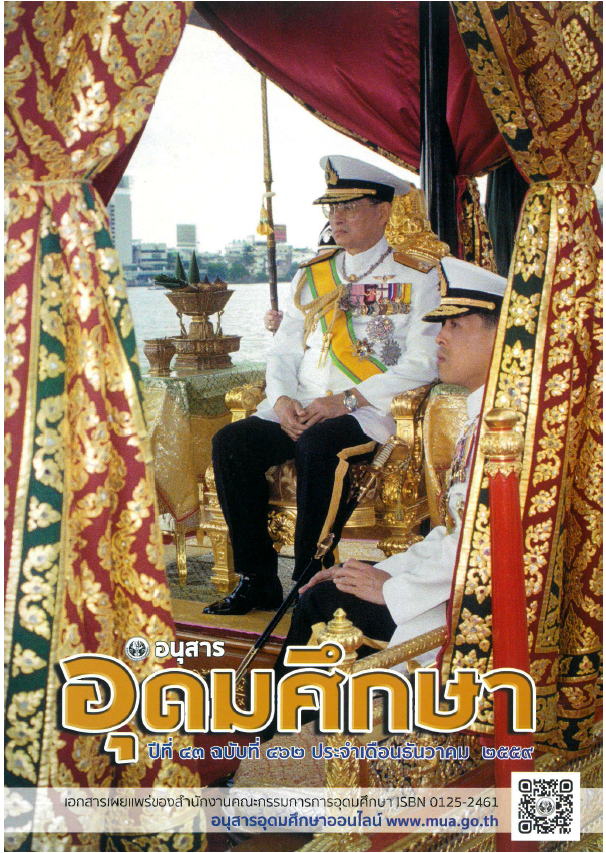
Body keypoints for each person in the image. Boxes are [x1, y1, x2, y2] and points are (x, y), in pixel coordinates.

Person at [205, 155, 441, 616]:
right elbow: (284, 350)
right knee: (231, 442)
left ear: (383, 211)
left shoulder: (418, 274)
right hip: (302, 406)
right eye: (332, 208)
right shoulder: (313, 272)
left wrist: (347, 400)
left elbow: (425, 361)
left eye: (349, 206)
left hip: (368, 410)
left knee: (318, 446)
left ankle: (306, 583)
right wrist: (281, 399)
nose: (337, 217)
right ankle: (257, 579)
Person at [272, 256, 507, 676]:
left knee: (323, 605)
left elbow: (487, 548)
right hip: (452, 585)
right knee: (332, 585)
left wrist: (394, 589)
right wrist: (376, 571)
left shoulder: (505, 433)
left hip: (481, 610)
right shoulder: (484, 416)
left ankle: (287, 713)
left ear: (502, 336)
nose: (439, 338)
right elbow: (456, 533)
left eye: (455, 325)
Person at [264, 222, 336, 333]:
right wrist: (279, 324)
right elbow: (295, 326)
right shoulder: (305, 282)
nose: (328, 265)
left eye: (334, 258)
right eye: (322, 259)